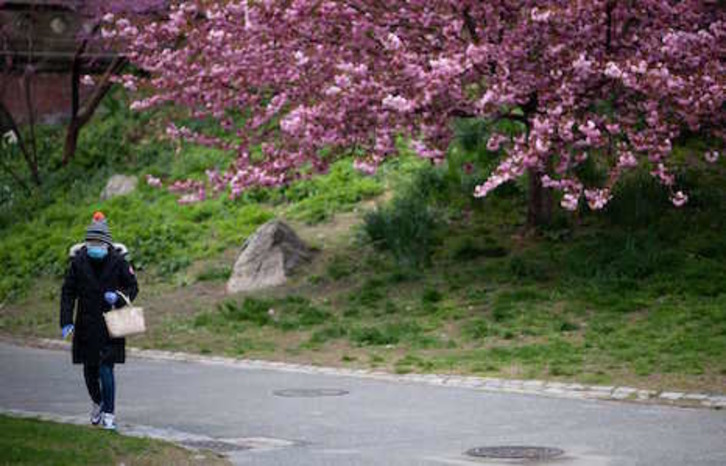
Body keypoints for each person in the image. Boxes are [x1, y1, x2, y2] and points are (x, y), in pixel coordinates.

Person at [60, 211, 139, 430]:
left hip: (111, 322)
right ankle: (97, 401)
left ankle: (109, 415)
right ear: (86, 243)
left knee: (106, 368)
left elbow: (133, 287)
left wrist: (119, 297)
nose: (95, 246)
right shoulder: (78, 263)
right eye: (91, 242)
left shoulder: (119, 261)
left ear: (106, 243)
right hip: (86, 323)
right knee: (89, 369)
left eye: (99, 242)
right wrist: (66, 320)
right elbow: (68, 292)